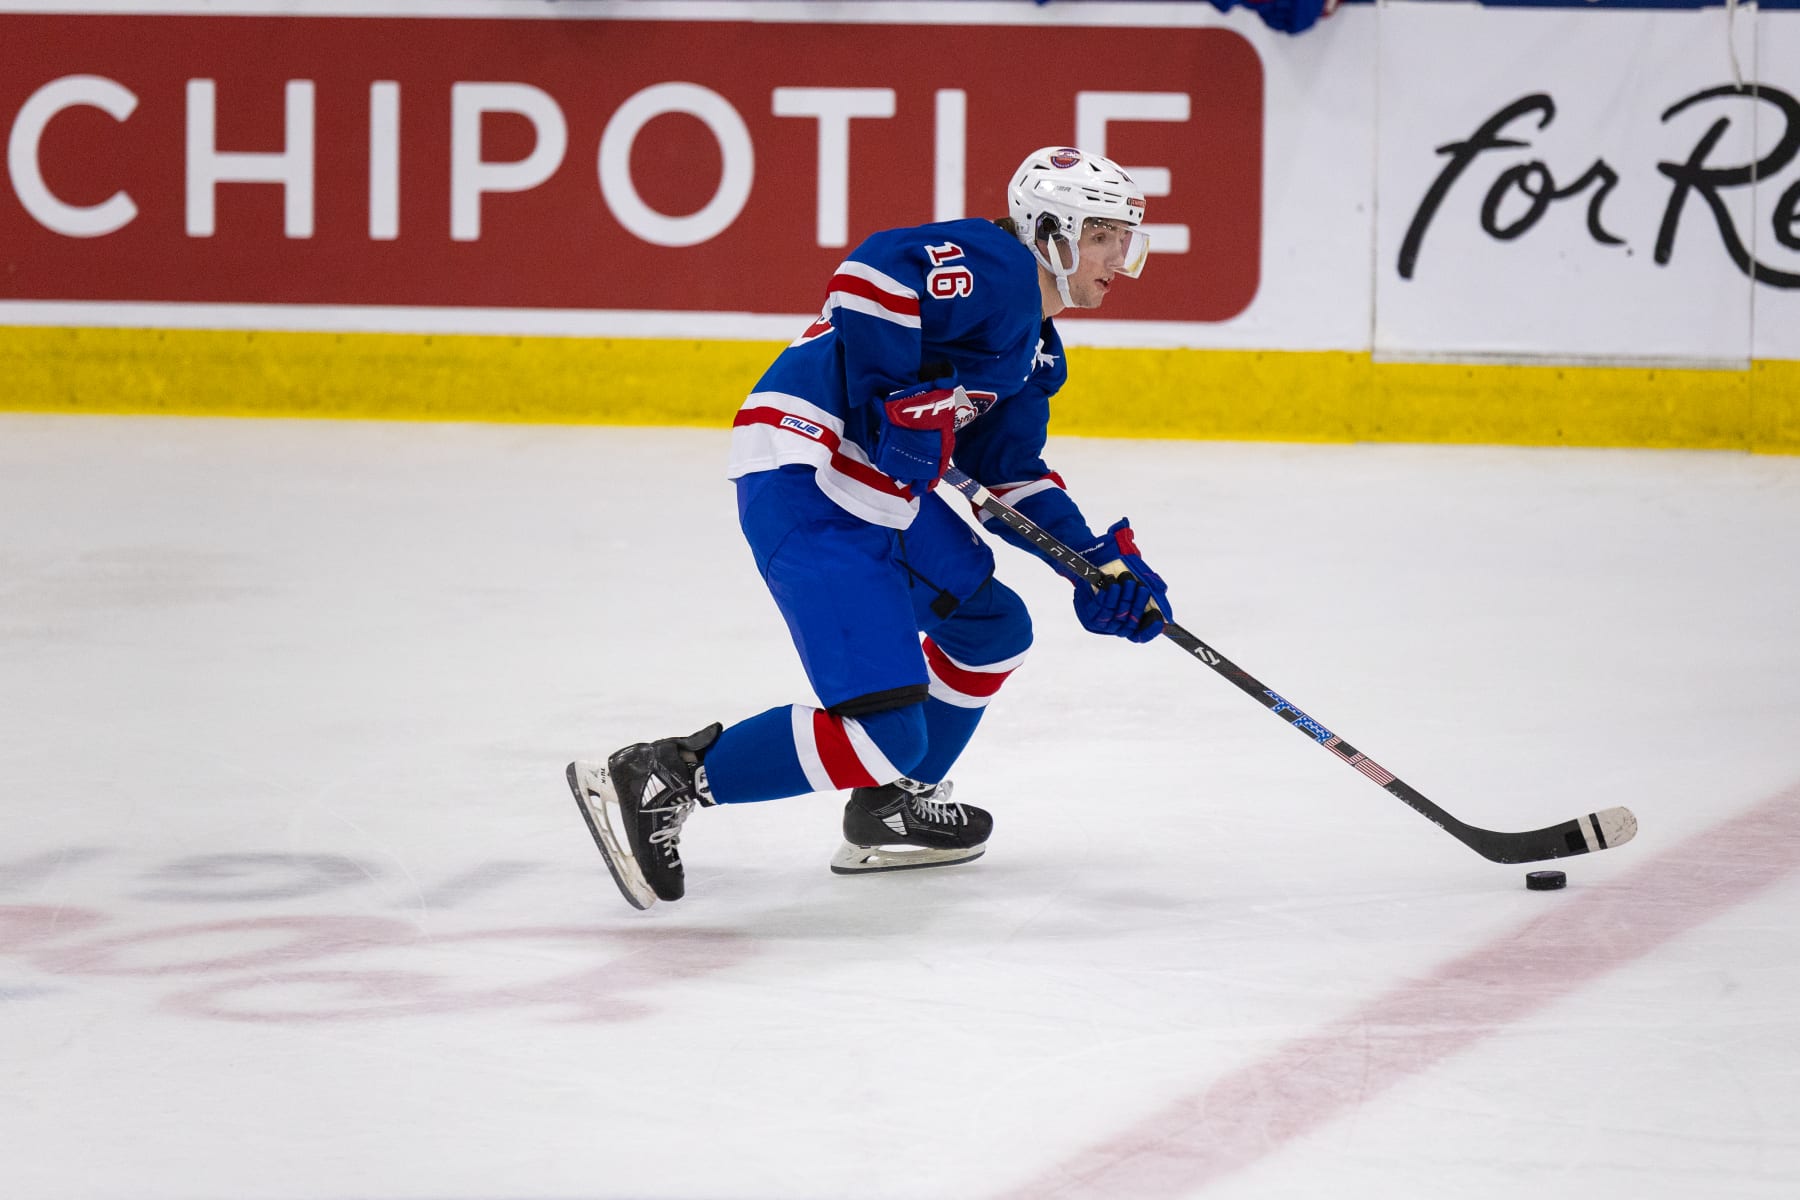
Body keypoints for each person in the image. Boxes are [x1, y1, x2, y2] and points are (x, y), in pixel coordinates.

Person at [566, 146, 1177, 910]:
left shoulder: (1033, 347)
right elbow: (875, 270)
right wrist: (897, 395)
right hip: (808, 469)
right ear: (1049, 230)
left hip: (876, 493)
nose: (1119, 257)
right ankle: (667, 776)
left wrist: (1093, 563)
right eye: (1102, 236)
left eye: (1125, 239)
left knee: (991, 630)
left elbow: (1010, 473)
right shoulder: (998, 264)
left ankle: (893, 808)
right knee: (885, 735)